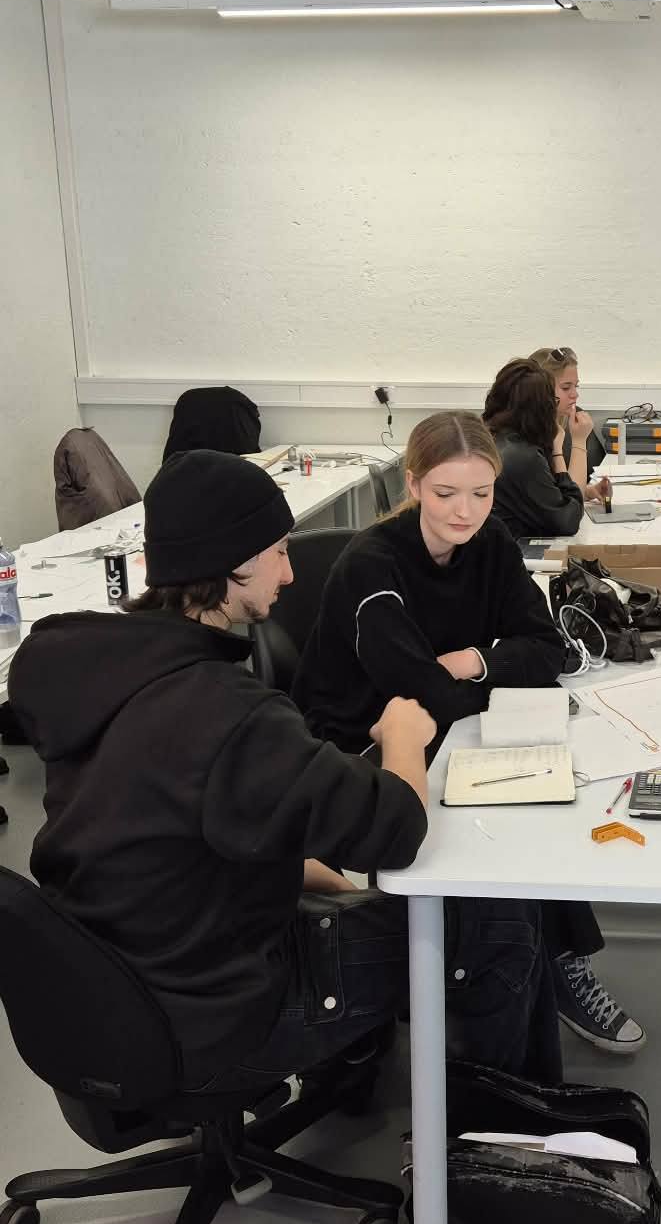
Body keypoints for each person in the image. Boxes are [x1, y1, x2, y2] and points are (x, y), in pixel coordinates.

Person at [9, 449, 558, 1090]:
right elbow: (398, 830)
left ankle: (363, 1059)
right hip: (218, 1015)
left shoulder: (103, 674)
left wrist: (314, 878)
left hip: (121, 986)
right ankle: (487, 1130)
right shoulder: (226, 712)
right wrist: (403, 735)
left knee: (368, 901)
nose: (291, 574)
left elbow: (167, 835)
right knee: (501, 924)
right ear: (234, 563)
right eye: (279, 552)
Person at [294, 412, 646, 1053]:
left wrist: (472, 660)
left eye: (481, 493)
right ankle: (525, 971)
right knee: (509, 823)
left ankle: (552, 964)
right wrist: (488, 670)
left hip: (455, 724)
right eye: (445, 493)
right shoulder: (372, 566)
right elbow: (414, 691)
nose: (465, 512)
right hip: (364, 740)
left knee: (546, 798)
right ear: (413, 484)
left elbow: (547, 649)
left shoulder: (491, 542)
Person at [483, 358, 589, 542]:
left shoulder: (491, 437)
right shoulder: (522, 456)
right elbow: (568, 521)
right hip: (513, 552)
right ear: (541, 408)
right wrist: (557, 452)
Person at [529, 345, 613, 505]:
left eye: (576, 386)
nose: (575, 394)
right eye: (566, 387)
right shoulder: (528, 439)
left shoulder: (558, 422)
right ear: (539, 390)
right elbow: (570, 505)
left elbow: (556, 491)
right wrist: (579, 441)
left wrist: (589, 491)